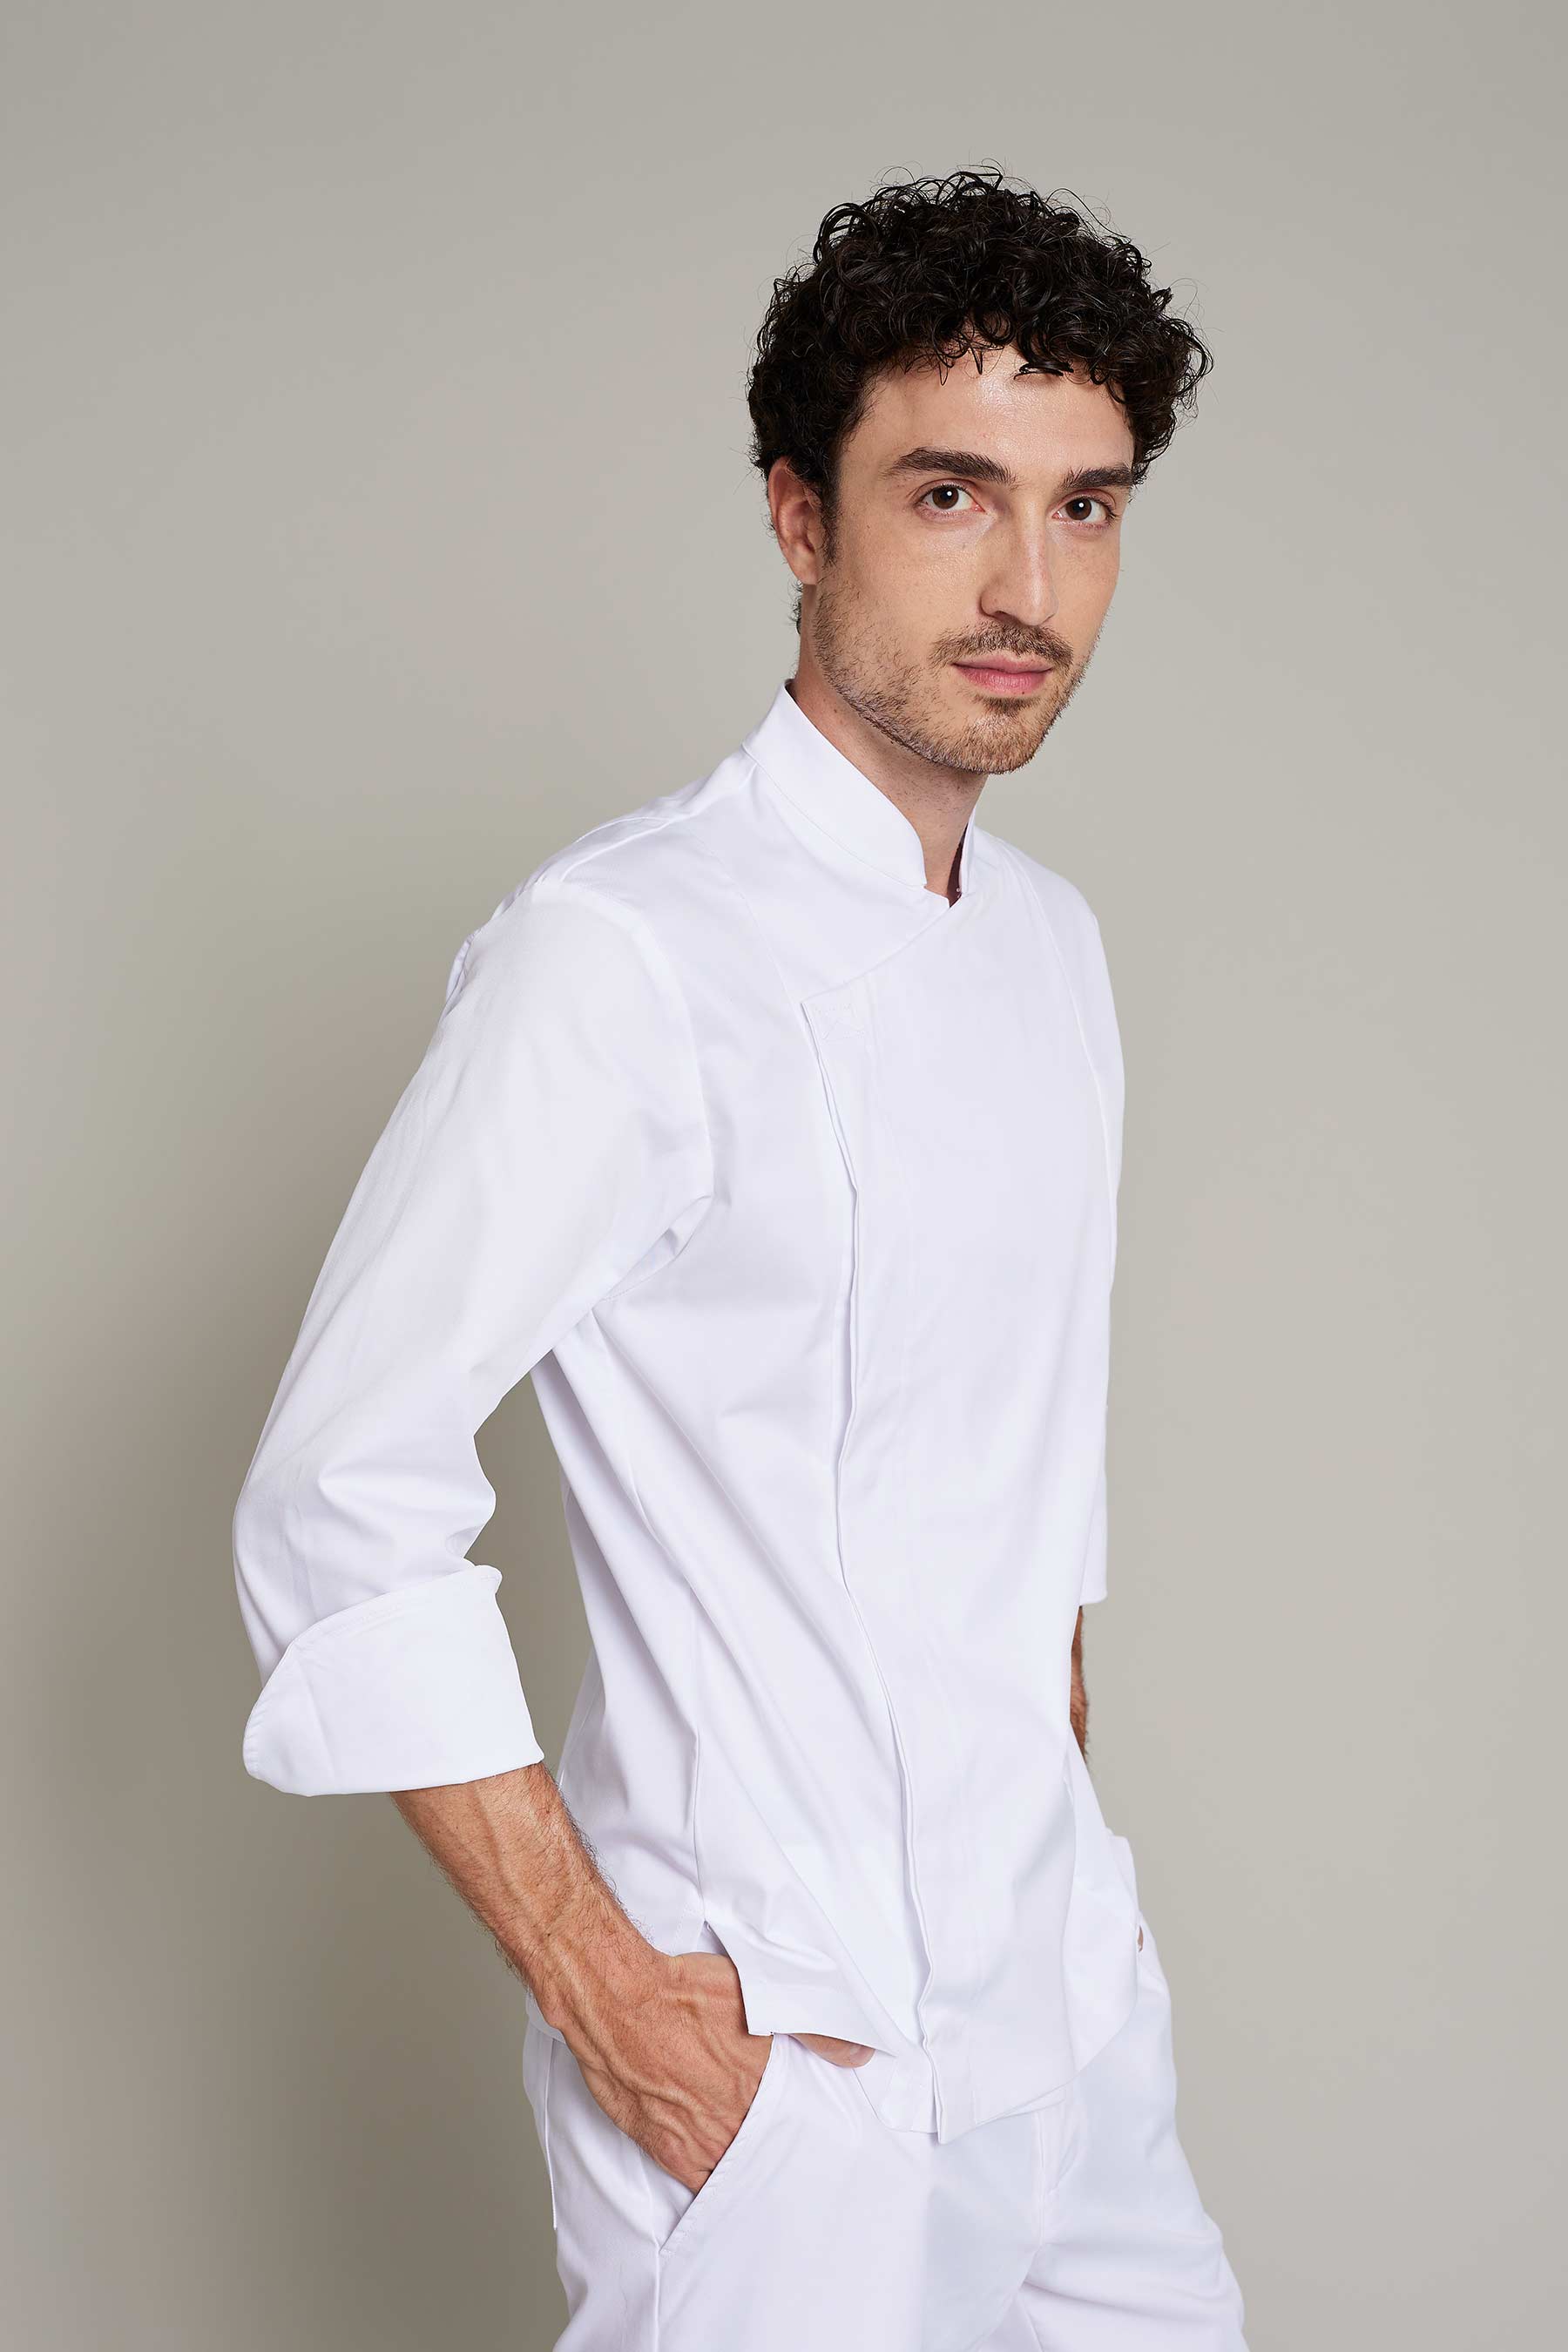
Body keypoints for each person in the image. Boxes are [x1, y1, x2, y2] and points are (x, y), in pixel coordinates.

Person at [233, 166, 1247, 2349]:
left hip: (1071, 2036)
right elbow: (335, 1496)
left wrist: (1071, 1903)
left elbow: (1019, 1485)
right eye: (951, 494)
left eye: (1085, 508)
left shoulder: (1053, 947)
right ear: (801, 517)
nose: (1028, 584)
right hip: (798, 2082)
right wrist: (613, 2000)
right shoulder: (623, 958)